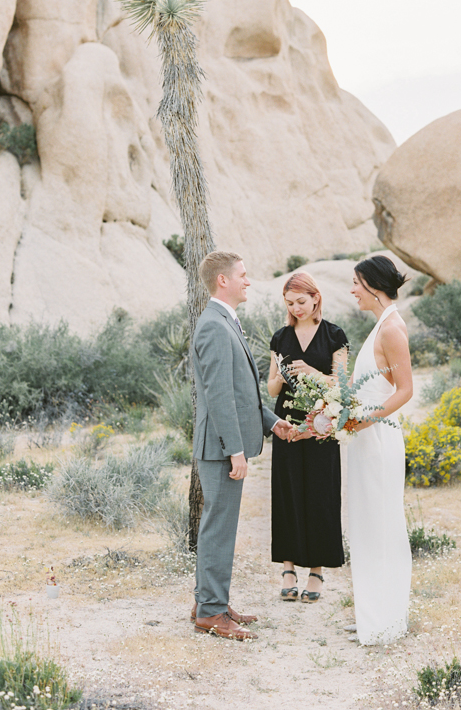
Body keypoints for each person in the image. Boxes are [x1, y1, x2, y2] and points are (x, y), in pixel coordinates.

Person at [191, 251, 293, 640]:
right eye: (243, 275)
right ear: (223, 281)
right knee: (219, 529)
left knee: (218, 527)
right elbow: (218, 396)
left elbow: (242, 392)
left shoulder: (224, 320)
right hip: (219, 448)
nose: (248, 281)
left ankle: (208, 601)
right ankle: (212, 613)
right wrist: (235, 450)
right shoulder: (214, 326)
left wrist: (273, 422)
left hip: (223, 445)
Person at [267, 272, 348, 603]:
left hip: (321, 425)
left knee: (320, 494)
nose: (296, 308)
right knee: (287, 494)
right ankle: (288, 569)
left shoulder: (334, 335)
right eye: (290, 303)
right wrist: (283, 374)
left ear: (315, 297)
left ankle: (316, 571)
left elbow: (342, 385)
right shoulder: (280, 337)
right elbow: (271, 386)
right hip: (286, 424)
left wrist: (314, 373)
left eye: (301, 301)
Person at [347, 255, 413, 645]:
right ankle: (374, 612)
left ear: (372, 285)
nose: (353, 290)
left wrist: (363, 419)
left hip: (378, 440)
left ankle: (386, 620)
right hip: (364, 442)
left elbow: (405, 390)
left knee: (382, 526)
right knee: (367, 526)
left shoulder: (391, 329)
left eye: (356, 282)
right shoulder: (381, 325)